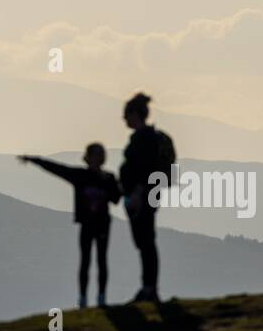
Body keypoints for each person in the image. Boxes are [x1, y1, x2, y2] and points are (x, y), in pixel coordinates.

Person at [18, 144, 121, 309]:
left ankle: (101, 297)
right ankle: (83, 298)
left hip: (101, 224)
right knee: (86, 261)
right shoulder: (82, 175)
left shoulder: (108, 178)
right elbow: (56, 168)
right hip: (88, 224)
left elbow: (116, 198)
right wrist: (34, 160)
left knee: (101, 260)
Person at [118, 92, 176, 303]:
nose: (124, 119)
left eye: (126, 114)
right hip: (146, 195)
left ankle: (149, 288)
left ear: (135, 114)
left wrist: (137, 193)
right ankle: (149, 287)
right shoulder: (147, 138)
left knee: (145, 242)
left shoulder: (144, 140)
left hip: (140, 197)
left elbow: (143, 169)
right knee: (145, 242)